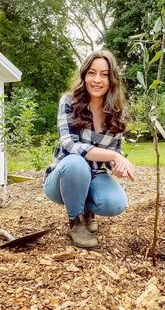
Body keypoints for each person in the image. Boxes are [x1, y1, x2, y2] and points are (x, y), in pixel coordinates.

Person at [43, 50, 135, 249]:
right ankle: (75, 223)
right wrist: (113, 155)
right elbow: (70, 145)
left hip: (95, 175)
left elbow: (113, 152)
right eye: (92, 73)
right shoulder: (68, 102)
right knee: (77, 162)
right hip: (62, 178)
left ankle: (87, 211)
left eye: (104, 74)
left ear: (112, 79)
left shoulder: (117, 112)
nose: (97, 80)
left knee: (116, 203)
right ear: (84, 75)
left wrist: (116, 164)